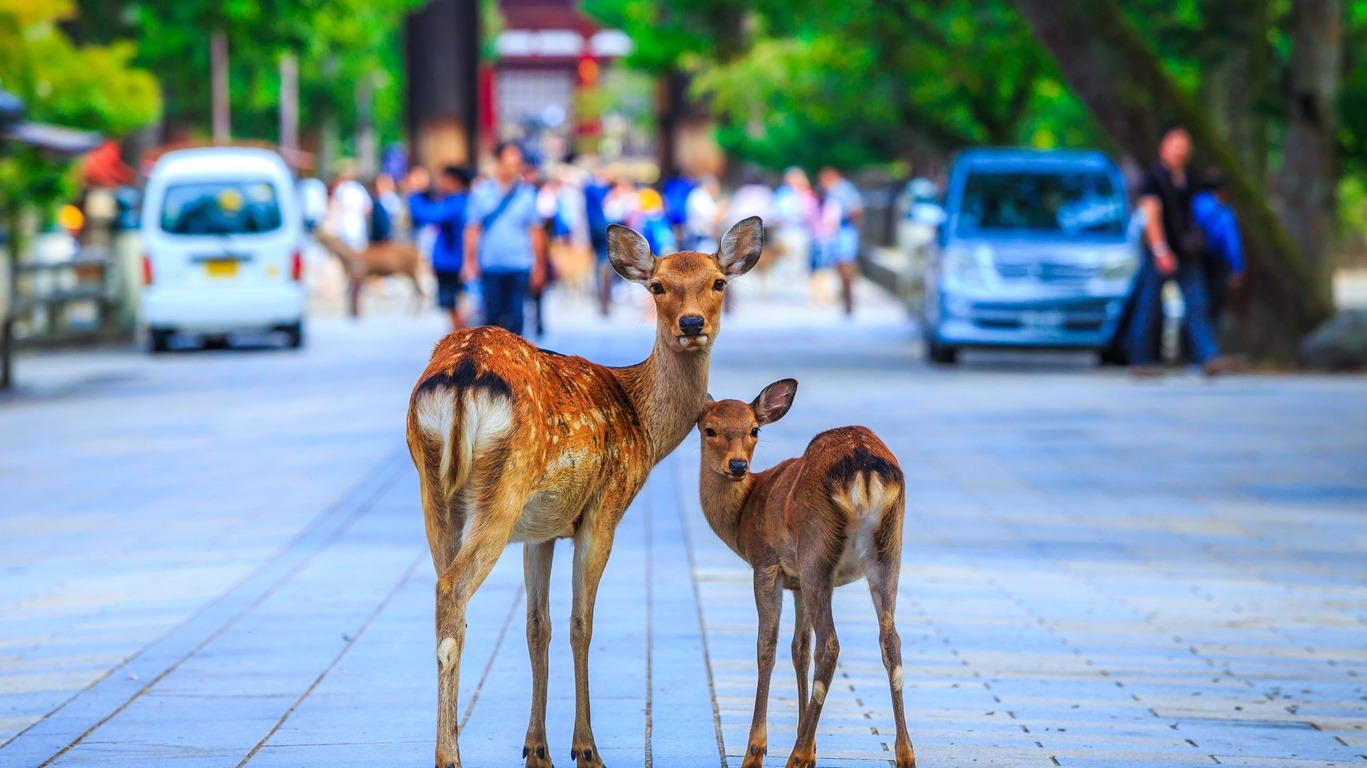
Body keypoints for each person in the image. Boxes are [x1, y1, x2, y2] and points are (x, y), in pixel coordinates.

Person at [1126, 124, 1222, 373]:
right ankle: (1140, 359)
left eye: (1184, 145)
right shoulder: (1154, 178)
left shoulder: (1190, 178)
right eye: (1175, 144)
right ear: (1163, 147)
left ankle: (1209, 358)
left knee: (1196, 305)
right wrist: (1160, 250)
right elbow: (1150, 214)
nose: (1180, 150)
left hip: (1187, 253)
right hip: (1161, 252)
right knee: (1148, 307)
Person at [464, 142, 545, 336]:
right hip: (490, 265)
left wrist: (539, 266)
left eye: (517, 163)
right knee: (491, 321)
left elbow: (536, 232)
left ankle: (514, 364)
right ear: (498, 163)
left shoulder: (527, 195)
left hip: (519, 264)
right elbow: (472, 229)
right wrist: (469, 262)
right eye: (509, 163)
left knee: (516, 320)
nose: (513, 168)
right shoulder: (481, 193)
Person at [407, 165, 471, 332]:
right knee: (454, 304)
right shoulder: (461, 200)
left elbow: (426, 215)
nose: (439, 183)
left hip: (453, 263)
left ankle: (462, 341)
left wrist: (415, 192)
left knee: (454, 304)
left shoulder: (456, 202)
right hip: (454, 261)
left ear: (453, 181)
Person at [1191, 173, 1245, 325]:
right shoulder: (1223, 212)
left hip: (1191, 261)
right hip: (1215, 263)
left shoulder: (1193, 204)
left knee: (1194, 304)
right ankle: (1206, 345)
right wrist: (1237, 269)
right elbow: (1231, 242)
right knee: (1212, 306)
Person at [818, 166, 863, 316]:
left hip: (844, 230)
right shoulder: (833, 191)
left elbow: (856, 209)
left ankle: (848, 299)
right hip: (837, 232)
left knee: (846, 265)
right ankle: (844, 296)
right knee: (839, 265)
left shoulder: (844, 189)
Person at [684, 174, 723, 253]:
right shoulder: (698, 196)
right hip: (700, 239)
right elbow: (711, 217)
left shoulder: (704, 196)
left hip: (706, 239)